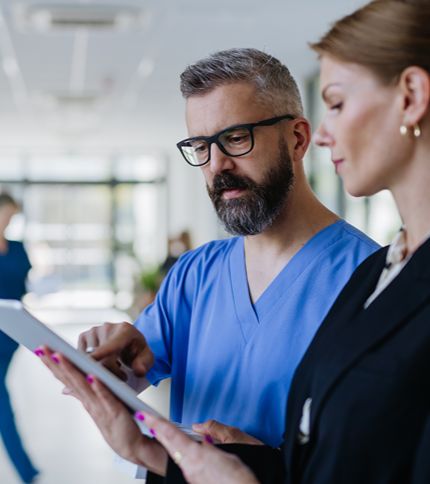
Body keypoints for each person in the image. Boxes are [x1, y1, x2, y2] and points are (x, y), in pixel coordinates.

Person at [71, 0, 429, 482]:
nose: (217, 165)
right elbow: (139, 366)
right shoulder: (196, 273)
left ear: (298, 140)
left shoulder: (369, 280)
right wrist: (119, 365)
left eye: (236, 138)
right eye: (200, 146)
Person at [0, 193, 39, 483]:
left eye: (12, 216)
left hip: (10, 332)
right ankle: (25, 469)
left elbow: (23, 285)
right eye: (6, 214)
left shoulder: (16, 248)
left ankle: (26, 469)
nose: (9, 221)